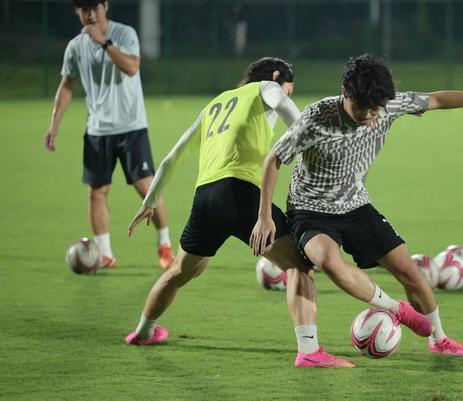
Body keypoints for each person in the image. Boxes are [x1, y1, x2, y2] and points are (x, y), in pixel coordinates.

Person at [251, 54, 463, 356]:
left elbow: (437, 99)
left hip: (356, 206)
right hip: (310, 209)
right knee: (328, 261)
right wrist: (265, 216)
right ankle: (396, 309)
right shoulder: (316, 118)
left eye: (375, 108)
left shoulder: (389, 105)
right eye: (361, 107)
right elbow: (273, 159)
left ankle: (440, 339)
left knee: (409, 272)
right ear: (345, 93)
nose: (369, 115)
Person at [125, 57, 392, 368]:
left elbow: (173, 156)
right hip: (240, 193)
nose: (287, 94)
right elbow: (283, 105)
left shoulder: (215, 104)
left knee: (181, 272)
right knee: (301, 265)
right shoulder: (267, 86)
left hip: (206, 197)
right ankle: (309, 350)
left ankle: (142, 332)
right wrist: (308, 136)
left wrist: (150, 201)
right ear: (277, 76)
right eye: (289, 89)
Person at [43, 0, 174, 269]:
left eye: (95, 7)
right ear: (77, 12)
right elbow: (67, 85)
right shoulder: (75, 46)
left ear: (106, 6)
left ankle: (165, 245)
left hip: (131, 126)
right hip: (97, 130)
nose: (91, 14)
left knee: (147, 189)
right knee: (97, 192)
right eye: (84, 9)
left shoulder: (124, 34)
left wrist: (104, 42)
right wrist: (54, 124)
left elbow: (132, 67)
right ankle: (104, 254)